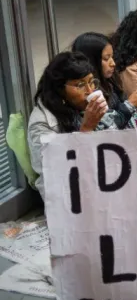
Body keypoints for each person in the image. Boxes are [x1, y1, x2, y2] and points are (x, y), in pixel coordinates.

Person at [28, 52, 124, 201]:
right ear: (60, 89)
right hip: (69, 196)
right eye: (80, 85)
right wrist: (86, 129)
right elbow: (56, 169)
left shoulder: (78, 107)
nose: (90, 91)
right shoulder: (42, 124)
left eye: (92, 82)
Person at [71, 32, 137, 128]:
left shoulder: (111, 82)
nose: (113, 63)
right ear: (91, 61)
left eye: (112, 57)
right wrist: (131, 104)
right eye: (106, 59)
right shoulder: (87, 93)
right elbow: (105, 127)